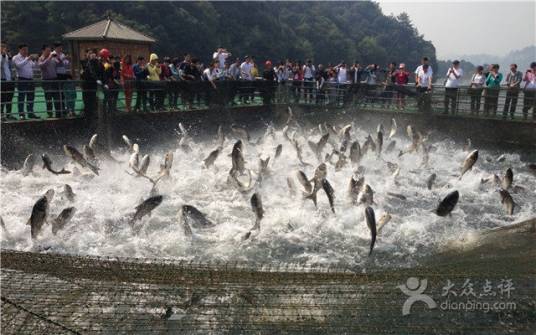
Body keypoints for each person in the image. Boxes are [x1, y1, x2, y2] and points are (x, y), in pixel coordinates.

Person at [12, 44, 37, 119]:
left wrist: (35, 60)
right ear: (19, 50)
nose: (26, 51)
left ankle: (30, 112)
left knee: (31, 97)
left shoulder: (27, 57)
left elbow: (33, 66)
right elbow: (18, 65)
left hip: (30, 79)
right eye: (24, 49)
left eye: (27, 49)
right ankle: (21, 114)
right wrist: (28, 59)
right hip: (22, 79)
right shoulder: (16, 57)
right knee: (21, 97)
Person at [38, 44, 62, 118]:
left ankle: (58, 113)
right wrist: (50, 57)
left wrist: (58, 57)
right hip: (46, 80)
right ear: (43, 51)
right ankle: (50, 113)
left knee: (57, 97)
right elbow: (42, 65)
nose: (49, 52)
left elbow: (61, 64)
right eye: (47, 51)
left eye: (50, 51)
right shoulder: (41, 58)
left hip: (54, 80)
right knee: (48, 97)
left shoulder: (53, 58)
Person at [80, 48, 99, 120]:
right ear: (86, 54)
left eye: (92, 53)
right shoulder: (83, 62)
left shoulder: (96, 62)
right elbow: (83, 73)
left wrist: (95, 60)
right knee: (86, 100)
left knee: (93, 99)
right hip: (85, 84)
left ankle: (93, 114)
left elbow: (97, 71)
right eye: (89, 53)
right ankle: (87, 115)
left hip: (93, 84)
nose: (90, 54)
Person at [1, 41, 15, 120]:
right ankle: (1, 115)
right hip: (2, 80)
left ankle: (9, 114)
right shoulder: (2, 56)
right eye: (2, 46)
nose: (4, 48)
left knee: (9, 98)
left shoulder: (6, 55)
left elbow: (11, 66)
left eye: (5, 46)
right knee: (2, 98)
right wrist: (3, 56)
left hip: (9, 80)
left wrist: (9, 58)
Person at [53, 42, 68, 114]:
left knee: (63, 93)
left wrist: (65, 60)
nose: (61, 49)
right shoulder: (53, 54)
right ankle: (58, 110)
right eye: (59, 48)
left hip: (63, 74)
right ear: (56, 48)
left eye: (61, 48)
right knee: (58, 93)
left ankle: (64, 108)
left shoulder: (62, 54)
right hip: (57, 75)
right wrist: (63, 59)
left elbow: (66, 63)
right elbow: (57, 62)